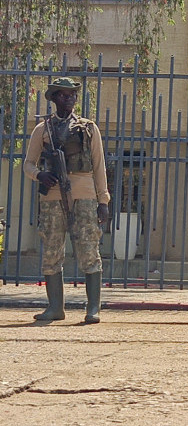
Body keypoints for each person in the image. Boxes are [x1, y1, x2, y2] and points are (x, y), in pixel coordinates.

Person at [23, 77, 110, 323]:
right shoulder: (43, 129)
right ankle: (55, 308)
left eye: (72, 94)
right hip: (52, 197)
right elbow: (29, 163)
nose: (69, 98)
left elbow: (99, 166)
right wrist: (40, 174)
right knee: (51, 250)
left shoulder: (88, 128)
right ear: (53, 99)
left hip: (84, 195)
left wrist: (103, 200)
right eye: (63, 95)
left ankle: (93, 308)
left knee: (88, 249)